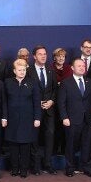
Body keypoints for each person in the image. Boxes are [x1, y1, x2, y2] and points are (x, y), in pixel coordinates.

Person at [58, 58, 91, 178]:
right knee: (70, 144)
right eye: (79, 66)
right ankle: (70, 168)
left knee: (87, 144)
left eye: (83, 66)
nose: (82, 68)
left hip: (88, 119)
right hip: (71, 119)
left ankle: (86, 167)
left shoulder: (90, 82)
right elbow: (61, 102)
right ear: (72, 68)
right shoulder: (66, 82)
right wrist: (64, 117)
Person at [5, 59, 41, 178]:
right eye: (19, 70)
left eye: (24, 70)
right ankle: (15, 168)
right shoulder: (8, 82)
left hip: (28, 119)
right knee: (13, 144)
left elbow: (36, 102)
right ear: (14, 71)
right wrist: (4, 117)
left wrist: (37, 118)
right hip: (12, 119)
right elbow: (4, 102)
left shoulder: (32, 82)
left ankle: (24, 169)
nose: (22, 72)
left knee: (25, 145)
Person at [26, 45, 58, 175]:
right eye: (40, 54)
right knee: (34, 138)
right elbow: (26, 90)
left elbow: (55, 89)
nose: (43, 56)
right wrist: (36, 102)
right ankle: (35, 166)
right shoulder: (29, 71)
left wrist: (51, 101)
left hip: (49, 110)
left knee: (49, 136)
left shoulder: (51, 70)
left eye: (45, 54)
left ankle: (48, 164)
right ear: (34, 56)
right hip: (34, 110)